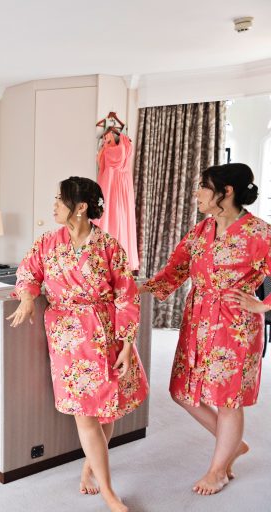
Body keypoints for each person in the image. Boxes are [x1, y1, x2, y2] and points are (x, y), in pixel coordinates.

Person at [9, 176, 148, 512]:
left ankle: (89, 466)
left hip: (105, 333)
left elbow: (127, 297)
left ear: (81, 206)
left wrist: (128, 345)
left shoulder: (110, 246)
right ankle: (109, 492)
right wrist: (27, 298)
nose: (54, 205)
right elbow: (27, 273)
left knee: (105, 409)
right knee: (85, 416)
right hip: (68, 337)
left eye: (61, 199)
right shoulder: (47, 242)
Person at [140, 163, 270, 495]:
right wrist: (134, 288)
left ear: (226, 192)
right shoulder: (201, 230)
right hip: (197, 320)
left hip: (236, 326)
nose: (196, 192)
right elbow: (174, 272)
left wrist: (263, 305)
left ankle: (218, 471)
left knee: (229, 401)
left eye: (203, 186)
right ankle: (234, 444)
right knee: (182, 391)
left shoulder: (260, 234)